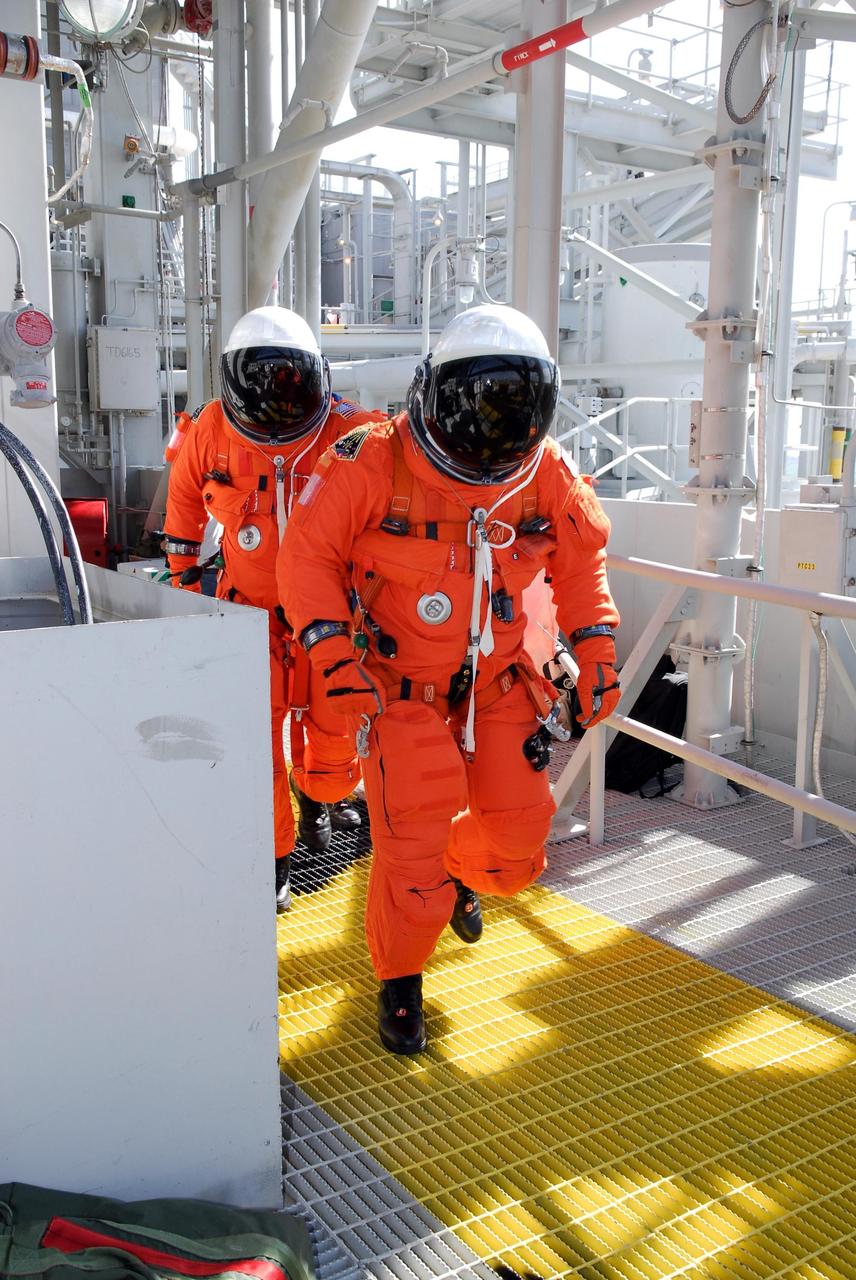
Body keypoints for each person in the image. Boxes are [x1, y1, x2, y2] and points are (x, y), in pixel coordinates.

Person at [276, 304, 620, 1052]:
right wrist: (330, 651)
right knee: (411, 846)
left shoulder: (545, 471)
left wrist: (596, 650)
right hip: (397, 688)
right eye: (478, 415)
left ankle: (461, 874)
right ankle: (401, 980)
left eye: (513, 416)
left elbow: (581, 565)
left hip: (499, 687)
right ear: (431, 394)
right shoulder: (372, 460)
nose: (491, 439)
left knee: (517, 850)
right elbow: (306, 557)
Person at [163, 305, 387, 912]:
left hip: (332, 623)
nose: (278, 403)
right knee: (251, 746)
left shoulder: (355, 434)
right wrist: (185, 590)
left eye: (292, 385)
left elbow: (404, 502)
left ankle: (319, 795)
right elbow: (184, 506)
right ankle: (274, 859)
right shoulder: (210, 429)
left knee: (337, 740)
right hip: (248, 621)